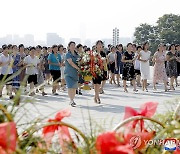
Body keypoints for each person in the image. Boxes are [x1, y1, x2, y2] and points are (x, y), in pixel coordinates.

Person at [64, 41, 80, 107]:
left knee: (74, 88)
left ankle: (72, 99)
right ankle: (71, 100)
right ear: (69, 47)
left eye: (74, 45)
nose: (73, 46)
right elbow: (70, 63)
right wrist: (78, 68)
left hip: (75, 73)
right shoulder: (68, 54)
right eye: (71, 45)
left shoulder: (77, 55)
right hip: (68, 73)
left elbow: (80, 62)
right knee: (70, 87)